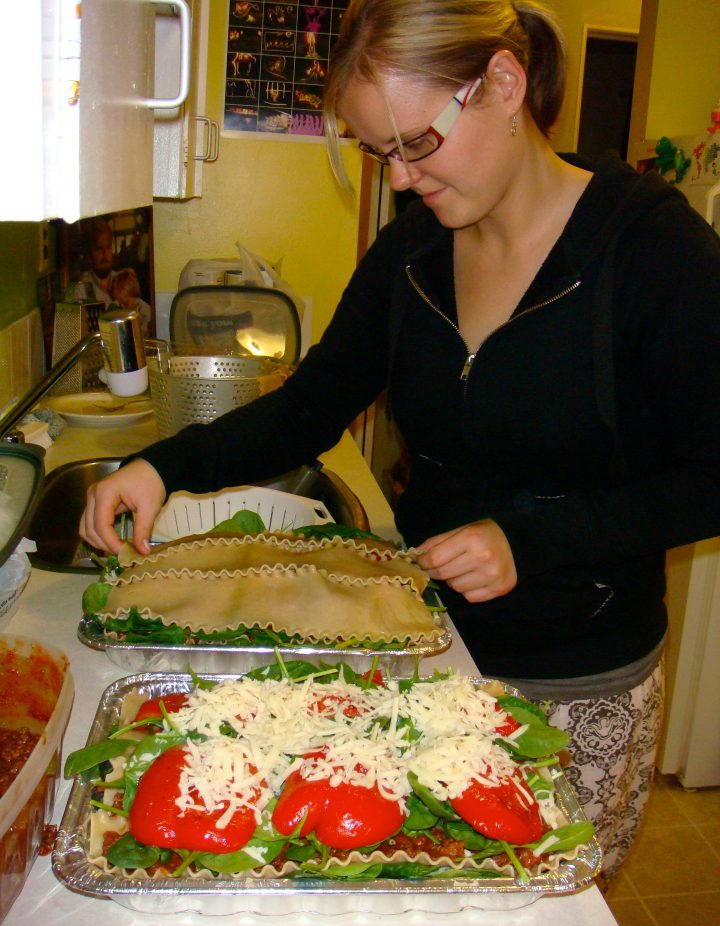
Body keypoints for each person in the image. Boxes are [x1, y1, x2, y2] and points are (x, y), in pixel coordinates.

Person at [79, 0, 720, 879]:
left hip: (575, 674)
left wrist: (531, 541)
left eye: (416, 143)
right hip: (422, 652)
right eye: (382, 154)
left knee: (549, 919)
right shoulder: (412, 249)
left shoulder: (654, 251)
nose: (403, 180)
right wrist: (162, 465)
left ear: (503, 83)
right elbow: (310, 406)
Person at [66, 217, 118, 306]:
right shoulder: (78, 288)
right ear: (89, 253)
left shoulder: (122, 280)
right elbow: (66, 320)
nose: (105, 254)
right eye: (99, 249)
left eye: (108, 247)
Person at [110, 267, 153, 337]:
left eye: (125, 303)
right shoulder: (120, 310)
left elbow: (142, 336)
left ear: (133, 294)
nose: (122, 307)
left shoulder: (145, 311)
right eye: (120, 304)